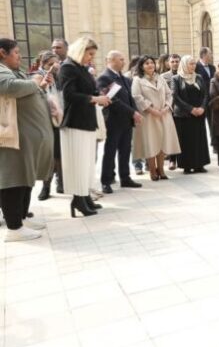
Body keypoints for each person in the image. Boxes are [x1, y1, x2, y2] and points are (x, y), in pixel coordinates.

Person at [0, 38, 53, 241]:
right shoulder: (2, 71)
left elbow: (27, 89)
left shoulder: (14, 70)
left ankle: (21, 217)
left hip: (25, 139)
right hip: (12, 139)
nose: (19, 56)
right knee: (13, 180)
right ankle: (14, 228)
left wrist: (41, 85)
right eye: (16, 53)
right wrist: (34, 82)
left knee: (24, 179)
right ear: (2, 53)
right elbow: (8, 87)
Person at [59, 37, 110, 217]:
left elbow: (89, 91)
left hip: (87, 121)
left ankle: (85, 195)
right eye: (89, 54)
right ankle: (78, 199)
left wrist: (102, 96)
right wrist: (95, 99)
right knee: (78, 163)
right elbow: (69, 94)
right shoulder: (67, 67)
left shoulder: (81, 68)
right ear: (80, 51)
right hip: (75, 122)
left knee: (87, 163)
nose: (91, 58)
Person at [97, 51, 143, 194]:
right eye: (121, 59)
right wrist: (132, 112)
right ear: (111, 60)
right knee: (110, 151)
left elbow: (130, 98)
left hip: (126, 121)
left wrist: (135, 112)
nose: (124, 62)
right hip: (113, 120)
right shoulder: (104, 78)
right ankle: (106, 181)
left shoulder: (124, 78)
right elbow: (112, 101)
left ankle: (125, 177)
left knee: (125, 150)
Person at [131, 55, 181, 181]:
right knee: (151, 142)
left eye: (152, 63)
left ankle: (161, 169)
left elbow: (170, 94)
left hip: (164, 115)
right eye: (147, 63)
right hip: (148, 116)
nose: (150, 65)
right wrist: (151, 110)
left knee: (163, 142)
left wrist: (166, 108)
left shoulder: (160, 78)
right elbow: (137, 97)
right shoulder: (138, 80)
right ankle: (152, 170)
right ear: (142, 66)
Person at [172, 54, 210, 173]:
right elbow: (175, 97)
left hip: (199, 114)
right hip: (184, 115)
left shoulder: (198, 77)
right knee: (186, 141)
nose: (194, 66)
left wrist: (202, 108)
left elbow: (205, 94)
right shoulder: (176, 79)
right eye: (191, 63)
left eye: (194, 63)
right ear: (184, 64)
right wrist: (191, 109)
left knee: (199, 139)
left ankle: (199, 164)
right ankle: (187, 166)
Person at [34, 51, 64, 201]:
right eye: (50, 64)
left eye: (55, 63)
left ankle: (61, 182)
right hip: (44, 120)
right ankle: (46, 187)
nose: (53, 67)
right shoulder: (38, 77)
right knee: (49, 156)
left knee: (59, 154)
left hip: (59, 120)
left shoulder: (60, 77)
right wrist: (44, 83)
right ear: (42, 64)